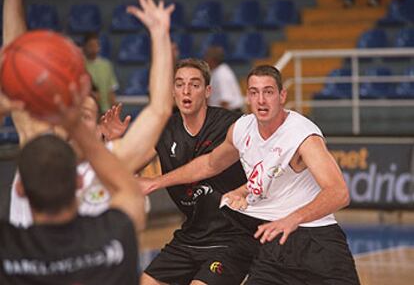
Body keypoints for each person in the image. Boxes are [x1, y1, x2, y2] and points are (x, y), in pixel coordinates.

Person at [138, 65, 361, 284]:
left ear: (282, 96)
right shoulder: (242, 129)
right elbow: (209, 164)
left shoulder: (302, 135)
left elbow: (339, 193)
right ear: (247, 97)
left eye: (268, 92)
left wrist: (293, 219)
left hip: (316, 240)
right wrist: (157, 182)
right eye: (254, 92)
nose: (261, 100)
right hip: (271, 239)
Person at [5, 0, 174, 226]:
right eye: (72, 107)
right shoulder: (39, 145)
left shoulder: (107, 160)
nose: (74, 117)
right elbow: (15, 53)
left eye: (83, 115)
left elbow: (161, 111)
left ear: (98, 129)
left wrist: (160, 35)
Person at [116, 58, 257, 285]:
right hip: (191, 236)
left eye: (194, 84)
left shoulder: (231, 125)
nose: (186, 91)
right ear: (172, 91)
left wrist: (155, 182)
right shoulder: (164, 131)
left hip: (233, 236)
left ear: (208, 90)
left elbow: (215, 164)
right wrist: (115, 141)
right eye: (180, 84)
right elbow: (122, 171)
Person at [0, 85, 145, 284]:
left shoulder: (104, 163)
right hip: (88, 258)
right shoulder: (37, 155)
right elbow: (160, 113)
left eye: (84, 115)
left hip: (43, 257)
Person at [83, 32, 119, 112]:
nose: (93, 48)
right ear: (85, 46)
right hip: (86, 110)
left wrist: (114, 107)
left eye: (95, 45)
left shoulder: (106, 65)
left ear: (99, 47)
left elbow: (111, 89)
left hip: (104, 109)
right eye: (90, 45)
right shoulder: (80, 64)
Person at [204, 46, 245, 113]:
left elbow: (225, 101)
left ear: (213, 60)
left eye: (206, 57)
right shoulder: (216, 71)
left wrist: (221, 120)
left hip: (231, 113)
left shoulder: (222, 74)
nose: (205, 60)